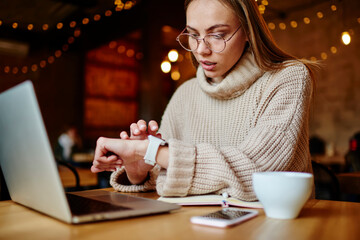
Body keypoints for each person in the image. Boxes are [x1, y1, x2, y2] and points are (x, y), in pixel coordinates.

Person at [91, 0, 317, 201]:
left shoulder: (288, 78)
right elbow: (168, 174)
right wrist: (140, 169)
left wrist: (151, 151)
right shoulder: (185, 93)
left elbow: (257, 172)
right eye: (193, 35)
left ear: (249, 30)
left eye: (217, 35)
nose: (201, 50)